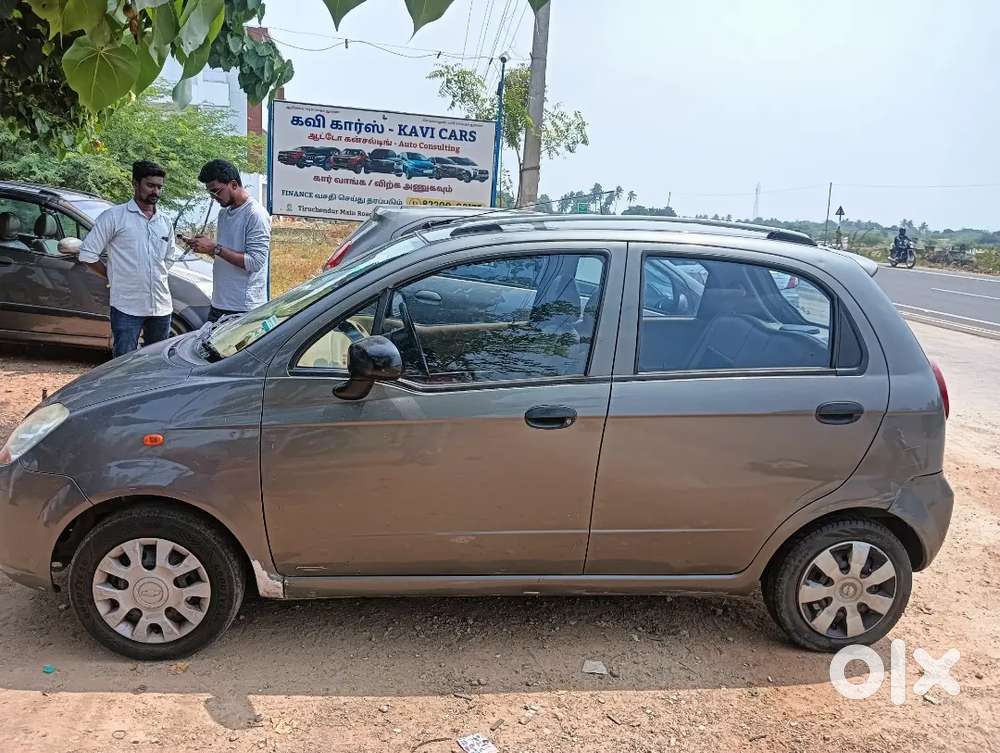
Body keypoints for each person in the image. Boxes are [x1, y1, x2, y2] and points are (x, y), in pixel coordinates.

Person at [79, 160, 175, 358]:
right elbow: (88, 254)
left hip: (161, 306)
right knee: (124, 362)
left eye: (159, 187)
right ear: (135, 183)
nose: (155, 191)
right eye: (150, 185)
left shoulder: (164, 221)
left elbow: (169, 258)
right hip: (127, 306)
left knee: (158, 362)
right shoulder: (114, 217)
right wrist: (111, 274)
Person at [185, 160, 271, 322]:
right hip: (219, 303)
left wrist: (215, 248)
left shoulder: (255, 214)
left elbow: (255, 263)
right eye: (210, 193)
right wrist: (207, 249)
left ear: (233, 184)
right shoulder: (224, 214)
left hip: (243, 309)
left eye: (216, 191)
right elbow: (226, 255)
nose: (213, 198)